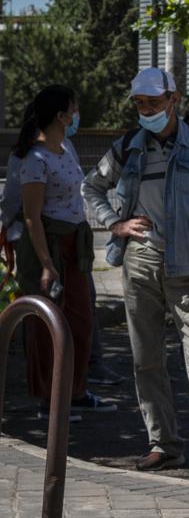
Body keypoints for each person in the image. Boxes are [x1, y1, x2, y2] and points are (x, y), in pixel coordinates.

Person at [81, 68, 189, 481]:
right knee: (146, 362)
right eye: (140, 103)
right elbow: (91, 188)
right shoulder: (126, 148)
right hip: (139, 266)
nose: (146, 110)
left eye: (154, 102)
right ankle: (163, 445)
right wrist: (115, 224)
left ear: (173, 99)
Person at [11, 85, 116, 422]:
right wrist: (45, 263)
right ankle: (49, 400)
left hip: (75, 246)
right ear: (60, 115)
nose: (76, 115)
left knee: (81, 322)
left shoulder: (66, 147)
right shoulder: (35, 159)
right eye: (73, 109)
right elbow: (31, 217)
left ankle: (76, 391)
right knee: (48, 325)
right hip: (51, 248)